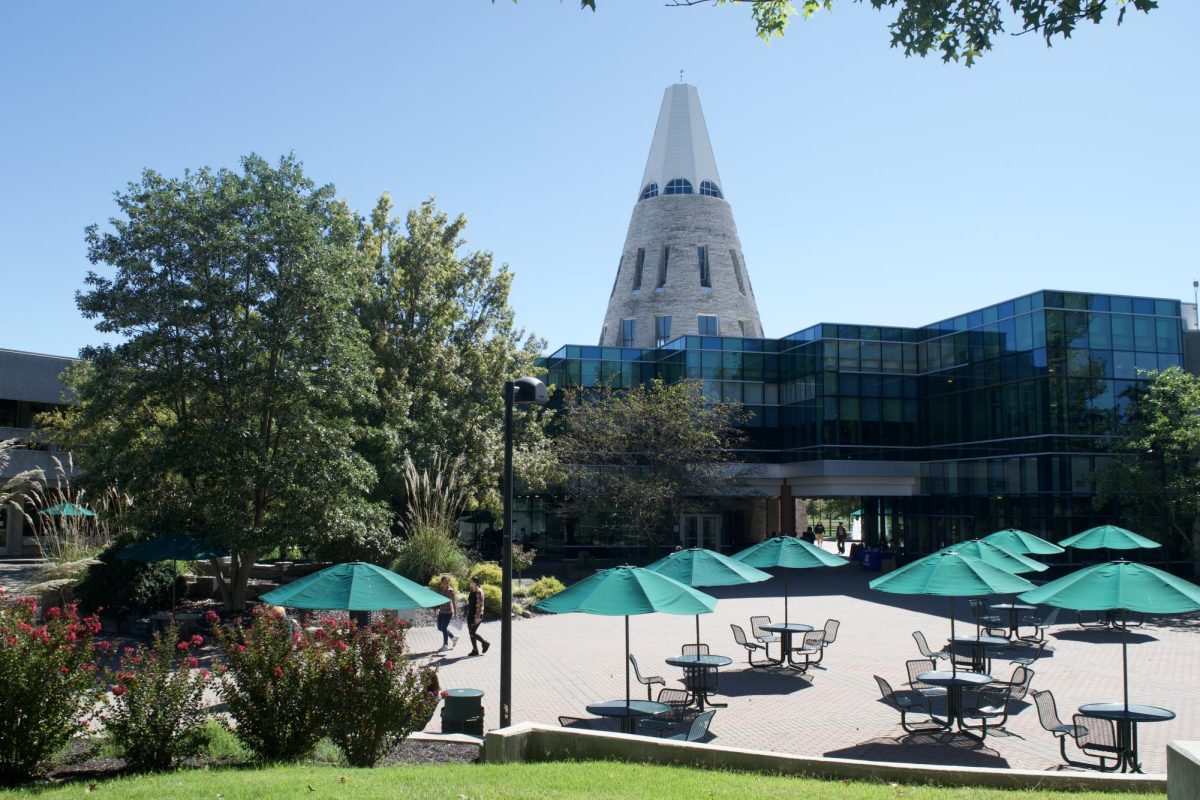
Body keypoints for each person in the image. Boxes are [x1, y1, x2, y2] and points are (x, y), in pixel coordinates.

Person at [466, 576, 490, 657]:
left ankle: (485, 643)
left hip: (476, 615)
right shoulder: (472, 590)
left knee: (472, 632)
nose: (470, 583)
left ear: (475, 582)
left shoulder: (479, 592)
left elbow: (480, 606)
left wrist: (477, 617)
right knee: (471, 633)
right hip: (470, 614)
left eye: (471, 581)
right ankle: (475, 650)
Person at [436, 575, 458, 652]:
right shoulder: (442, 590)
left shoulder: (450, 591)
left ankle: (445, 645)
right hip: (441, 611)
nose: (446, 583)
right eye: (444, 581)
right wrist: (436, 608)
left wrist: (455, 613)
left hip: (448, 612)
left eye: (447, 581)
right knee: (440, 628)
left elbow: (454, 602)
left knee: (444, 628)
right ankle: (453, 638)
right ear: (442, 582)